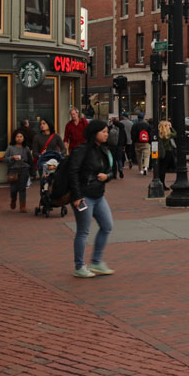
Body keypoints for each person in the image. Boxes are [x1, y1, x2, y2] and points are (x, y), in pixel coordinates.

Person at [69, 119, 116, 278]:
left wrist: (106, 176)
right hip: (84, 196)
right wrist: (77, 196)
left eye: (106, 132)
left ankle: (96, 261)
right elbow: (73, 172)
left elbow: (110, 171)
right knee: (83, 231)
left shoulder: (103, 150)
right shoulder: (82, 150)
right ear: (94, 133)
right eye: (103, 132)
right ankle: (79, 266)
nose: (106, 134)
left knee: (107, 225)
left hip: (98, 195)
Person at [4, 131, 33, 212]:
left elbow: (30, 161)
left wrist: (32, 172)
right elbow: (4, 159)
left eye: (21, 136)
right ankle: (13, 199)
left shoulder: (26, 148)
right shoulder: (10, 148)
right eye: (17, 137)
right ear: (14, 138)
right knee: (13, 189)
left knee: (22, 188)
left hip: (24, 170)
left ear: (23, 138)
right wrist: (12, 158)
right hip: (13, 170)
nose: (19, 138)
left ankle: (22, 206)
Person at [156, 120, 177, 188]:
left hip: (160, 152)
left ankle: (159, 182)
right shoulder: (168, 134)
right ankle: (162, 184)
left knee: (160, 167)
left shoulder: (159, 134)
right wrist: (171, 128)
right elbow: (175, 133)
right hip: (167, 152)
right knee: (164, 168)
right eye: (168, 125)